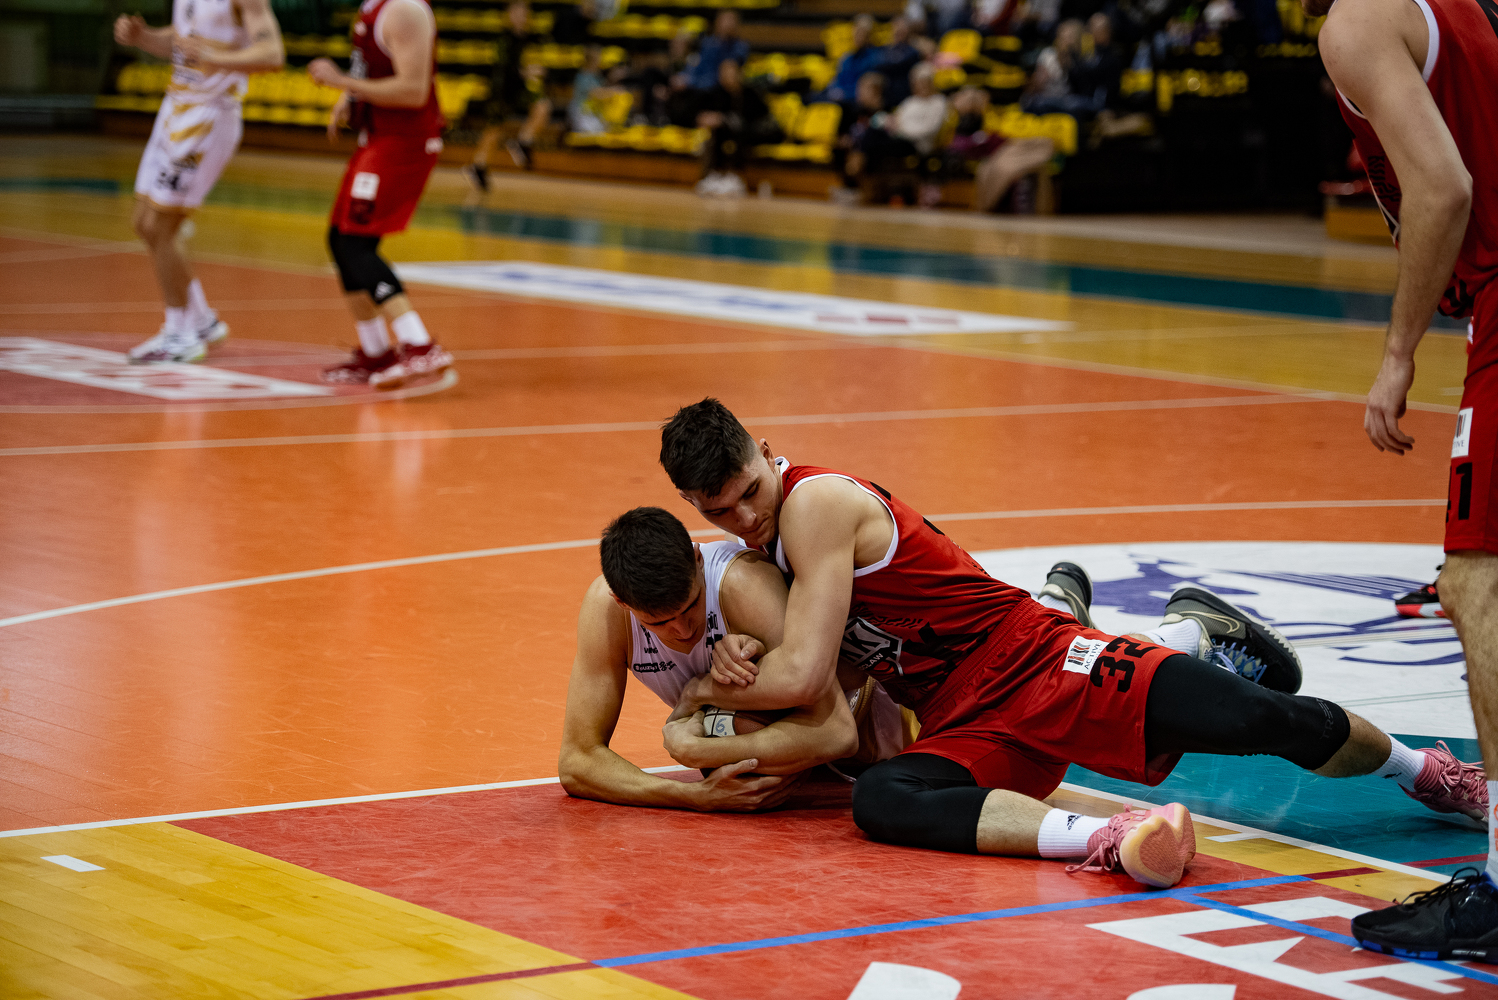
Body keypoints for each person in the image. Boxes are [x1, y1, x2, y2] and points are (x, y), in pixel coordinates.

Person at [658, 399, 1486, 890]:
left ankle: (1431, 773)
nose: (744, 518)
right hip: (962, 714)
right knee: (883, 799)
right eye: (719, 511)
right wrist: (747, 662)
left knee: (1266, 722)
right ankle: (1105, 838)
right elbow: (835, 677)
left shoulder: (813, 504)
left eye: (749, 493)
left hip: (1036, 659)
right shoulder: (766, 551)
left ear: (766, 451)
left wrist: (704, 693)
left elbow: (806, 672)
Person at [1305, 0, 1498, 961]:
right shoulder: (1457, 8)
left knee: (1478, 584)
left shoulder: (1356, 22)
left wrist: (1397, 354)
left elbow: (1445, 189)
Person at [558, 507, 912, 811]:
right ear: (622, 602)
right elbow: (577, 761)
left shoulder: (742, 583)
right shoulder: (606, 613)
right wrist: (693, 795)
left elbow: (838, 734)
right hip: (794, 766)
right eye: (658, 623)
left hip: (882, 729)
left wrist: (698, 751)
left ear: (698, 560)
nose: (682, 629)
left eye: (691, 605)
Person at [114, 0, 285, 363]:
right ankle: (202, 320)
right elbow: (184, 41)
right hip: (176, 106)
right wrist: (144, 38)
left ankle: (181, 335)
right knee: (143, 222)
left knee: (161, 227)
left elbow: (272, 54)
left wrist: (214, 57)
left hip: (210, 114)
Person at [309, 0, 454, 390]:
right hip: (378, 136)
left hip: (403, 142)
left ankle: (419, 344)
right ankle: (375, 352)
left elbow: (413, 91)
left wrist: (344, 83)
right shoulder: (374, 6)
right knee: (340, 240)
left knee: (356, 244)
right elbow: (375, 67)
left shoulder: (404, 9)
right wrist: (350, 98)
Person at [464, 0, 551, 187]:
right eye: (518, 12)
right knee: (494, 130)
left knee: (542, 106)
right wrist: (525, 72)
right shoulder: (504, 40)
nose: (522, 16)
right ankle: (478, 166)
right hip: (501, 90)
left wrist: (534, 71)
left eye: (525, 13)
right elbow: (503, 68)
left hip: (520, 88)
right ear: (509, 15)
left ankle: (523, 141)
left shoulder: (530, 38)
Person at [694, 59, 781, 199]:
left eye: (730, 73)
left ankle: (735, 177)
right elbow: (706, 114)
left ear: (738, 74)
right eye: (723, 74)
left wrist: (723, 119)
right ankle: (715, 175)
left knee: (739, 134)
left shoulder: (750, 93)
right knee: (717, 133)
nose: (727, 77)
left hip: (764, 132)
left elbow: (754, 120)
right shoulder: (720, 93)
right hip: (739, 132)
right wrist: (711, 118)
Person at [686, 11, 751, 93]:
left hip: (720, 89)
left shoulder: (740, 47)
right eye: (726, 20)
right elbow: (697, 66)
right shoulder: (707, 44)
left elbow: (728, 74)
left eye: (732, 20)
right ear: (717, 22)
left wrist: (693, 82)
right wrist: (687, 79)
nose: (729, 24)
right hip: (701, 87)